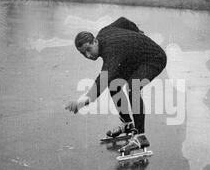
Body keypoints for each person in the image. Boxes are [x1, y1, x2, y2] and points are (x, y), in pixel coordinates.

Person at [65, 17, 167, 154]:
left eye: (89, 49)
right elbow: (122, 21)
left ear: (95, 41)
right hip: (136, 59)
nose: (88, 55)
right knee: (114, 84)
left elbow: (103, 79)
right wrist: (136, 31)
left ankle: (141, 137)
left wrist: (81, 102)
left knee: (133, 87)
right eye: (83, 53)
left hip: (155, 58)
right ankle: (128, 124)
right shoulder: (104, 32)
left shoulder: (111, 52)